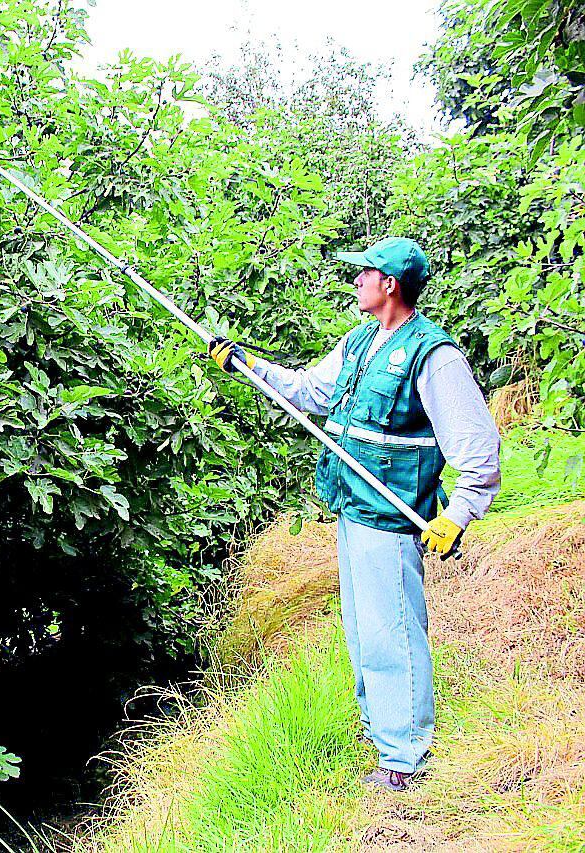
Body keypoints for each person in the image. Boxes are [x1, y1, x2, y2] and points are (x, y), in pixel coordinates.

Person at [206, 236, 501, 792]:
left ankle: (405, 757)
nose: (356, 281)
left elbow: (477, 449)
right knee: (364, 632)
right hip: (352, 506)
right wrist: (249, 365)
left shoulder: (434, 357)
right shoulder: (362, 341)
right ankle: (383, 736)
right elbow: (312, 392)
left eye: (364, 273)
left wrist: (457, 514)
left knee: (392, 633)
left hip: (392, 514)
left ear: (390, 285)